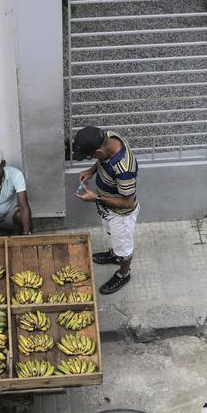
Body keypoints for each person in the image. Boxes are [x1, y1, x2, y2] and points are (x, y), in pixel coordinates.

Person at [72, 126, 139, 295]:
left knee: (124, 248)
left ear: (99, 151)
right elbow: (102, 159)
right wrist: (91, 170)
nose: (90, 159)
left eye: (90, 156)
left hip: (120, 215)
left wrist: (97, 198)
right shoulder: (109, 136)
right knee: (113, 236)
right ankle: (115, 255)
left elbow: (128, 203)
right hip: (108, 209)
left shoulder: (124, 170)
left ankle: (123, 273)